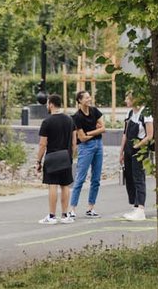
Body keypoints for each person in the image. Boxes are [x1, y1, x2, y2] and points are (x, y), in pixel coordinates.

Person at [36, 93, 77, 223]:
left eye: (48, 103)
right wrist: (71, 156)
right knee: (65, 185)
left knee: (52, 185)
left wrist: (38, 161)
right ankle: (65, 215)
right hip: (66, 156)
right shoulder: (70, 120)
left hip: (52, 156)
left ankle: (52, 216)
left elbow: (43, 144)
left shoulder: (47, 121)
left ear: (51, 104)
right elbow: (74, 141)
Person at [70, 90, 106, 217]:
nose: (89, 99)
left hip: (98, 146)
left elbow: (103, 128)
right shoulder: (77, 117)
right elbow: (82, 138)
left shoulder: (94, 111)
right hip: (86, 148)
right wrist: (96, 130)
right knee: (80, 178)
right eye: (86, 97)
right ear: (79, 100)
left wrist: (89, 133)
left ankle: (91, 208)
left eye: (89, 97)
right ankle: (72, 209)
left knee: (96, 179)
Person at [119, 92, 153, 222]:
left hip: (139, 149)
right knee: (130, 177)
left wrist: (137, 146)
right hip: (128, 148)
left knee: (139, 177)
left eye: (128, 98)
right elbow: (125, 134)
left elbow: (149, 135)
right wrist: (121, 152)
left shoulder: (146, 114)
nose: (126, 100)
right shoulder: (129, 114)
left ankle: (141, 209)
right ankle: (135, 205)